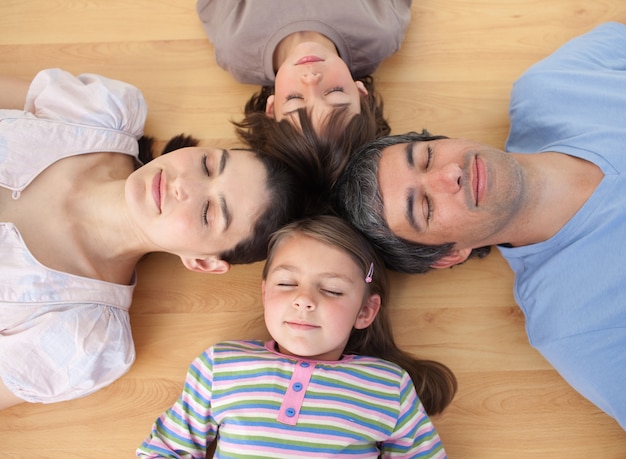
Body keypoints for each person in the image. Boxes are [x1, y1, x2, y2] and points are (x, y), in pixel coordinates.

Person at [332, 22, 626, 430]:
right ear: (450, 254)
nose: (449, 175)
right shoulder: (575, 325)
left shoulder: (552, 89)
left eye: (427, 155)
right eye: (425, 207)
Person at [0, 68, 304, 411]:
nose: (183, 185)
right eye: (207, 164)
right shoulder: (100, 112)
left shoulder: (84, 338)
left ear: (202, 261)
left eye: (208, 212)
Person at [136, 215, 456, 458]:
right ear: (264, 294)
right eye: (287, 284)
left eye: (331, 289)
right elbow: (165, 449)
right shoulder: (221, 366)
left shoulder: (388, 385)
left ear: (365, 311)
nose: (304, 299)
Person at [196, 0, 411, 190]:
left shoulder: (236, 47)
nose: (310, 80)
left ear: (271, 108)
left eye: (294, 99)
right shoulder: (380, 32)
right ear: (362, 94)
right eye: (335, 92)